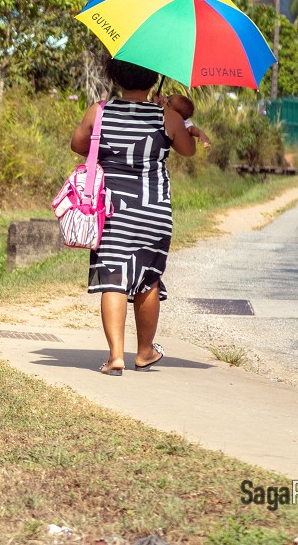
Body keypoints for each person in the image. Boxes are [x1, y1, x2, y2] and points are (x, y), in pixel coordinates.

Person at [70, 58, 197, 376]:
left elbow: (78, 145)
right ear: (154, 79)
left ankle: (115, 356)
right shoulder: (166, 116)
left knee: (113, 279)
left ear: (115, 78)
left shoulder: (99, 112)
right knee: (148, 281)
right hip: (154, 211)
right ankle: (144, 352)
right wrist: (173, 114)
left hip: (112, 210)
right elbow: (187, 151)